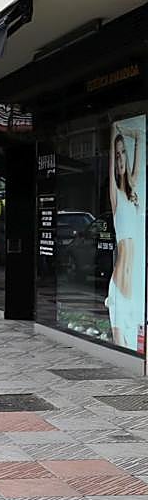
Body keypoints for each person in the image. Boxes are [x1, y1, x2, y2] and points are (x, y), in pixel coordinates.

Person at [108, 125, 144, 348]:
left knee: (130, 349)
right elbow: (111, 153)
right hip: (119, 287)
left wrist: (125, 129)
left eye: (123, 153)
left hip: (132, 290)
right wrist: (114, 130)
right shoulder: (114, 194)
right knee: (121, 349)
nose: (120, 159)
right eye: (117, 154)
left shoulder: (131, 194)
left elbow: (140, 137)